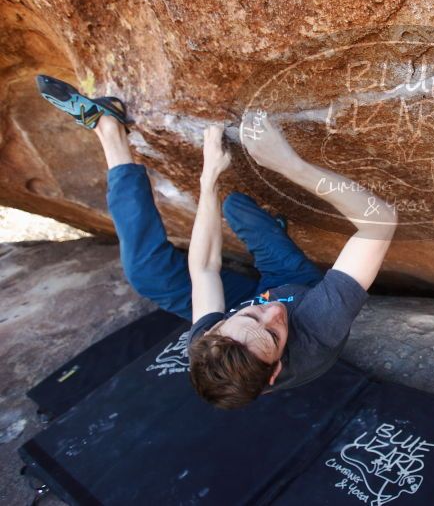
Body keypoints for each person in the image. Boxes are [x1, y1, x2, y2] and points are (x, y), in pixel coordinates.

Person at [36, 75, 398, 409]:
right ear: (274, 372)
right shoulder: (316, 331)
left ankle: (110, 130)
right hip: (296, 285)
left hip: (246, 305)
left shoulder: (210, 347)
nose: (272, 312)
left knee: (150, 271)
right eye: (272, 334)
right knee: (243, 217)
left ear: (212, 328)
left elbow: (204, 268)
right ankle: (271, 238)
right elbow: (380, 222)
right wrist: (289, 164)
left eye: (252, 316)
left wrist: (209, 179)